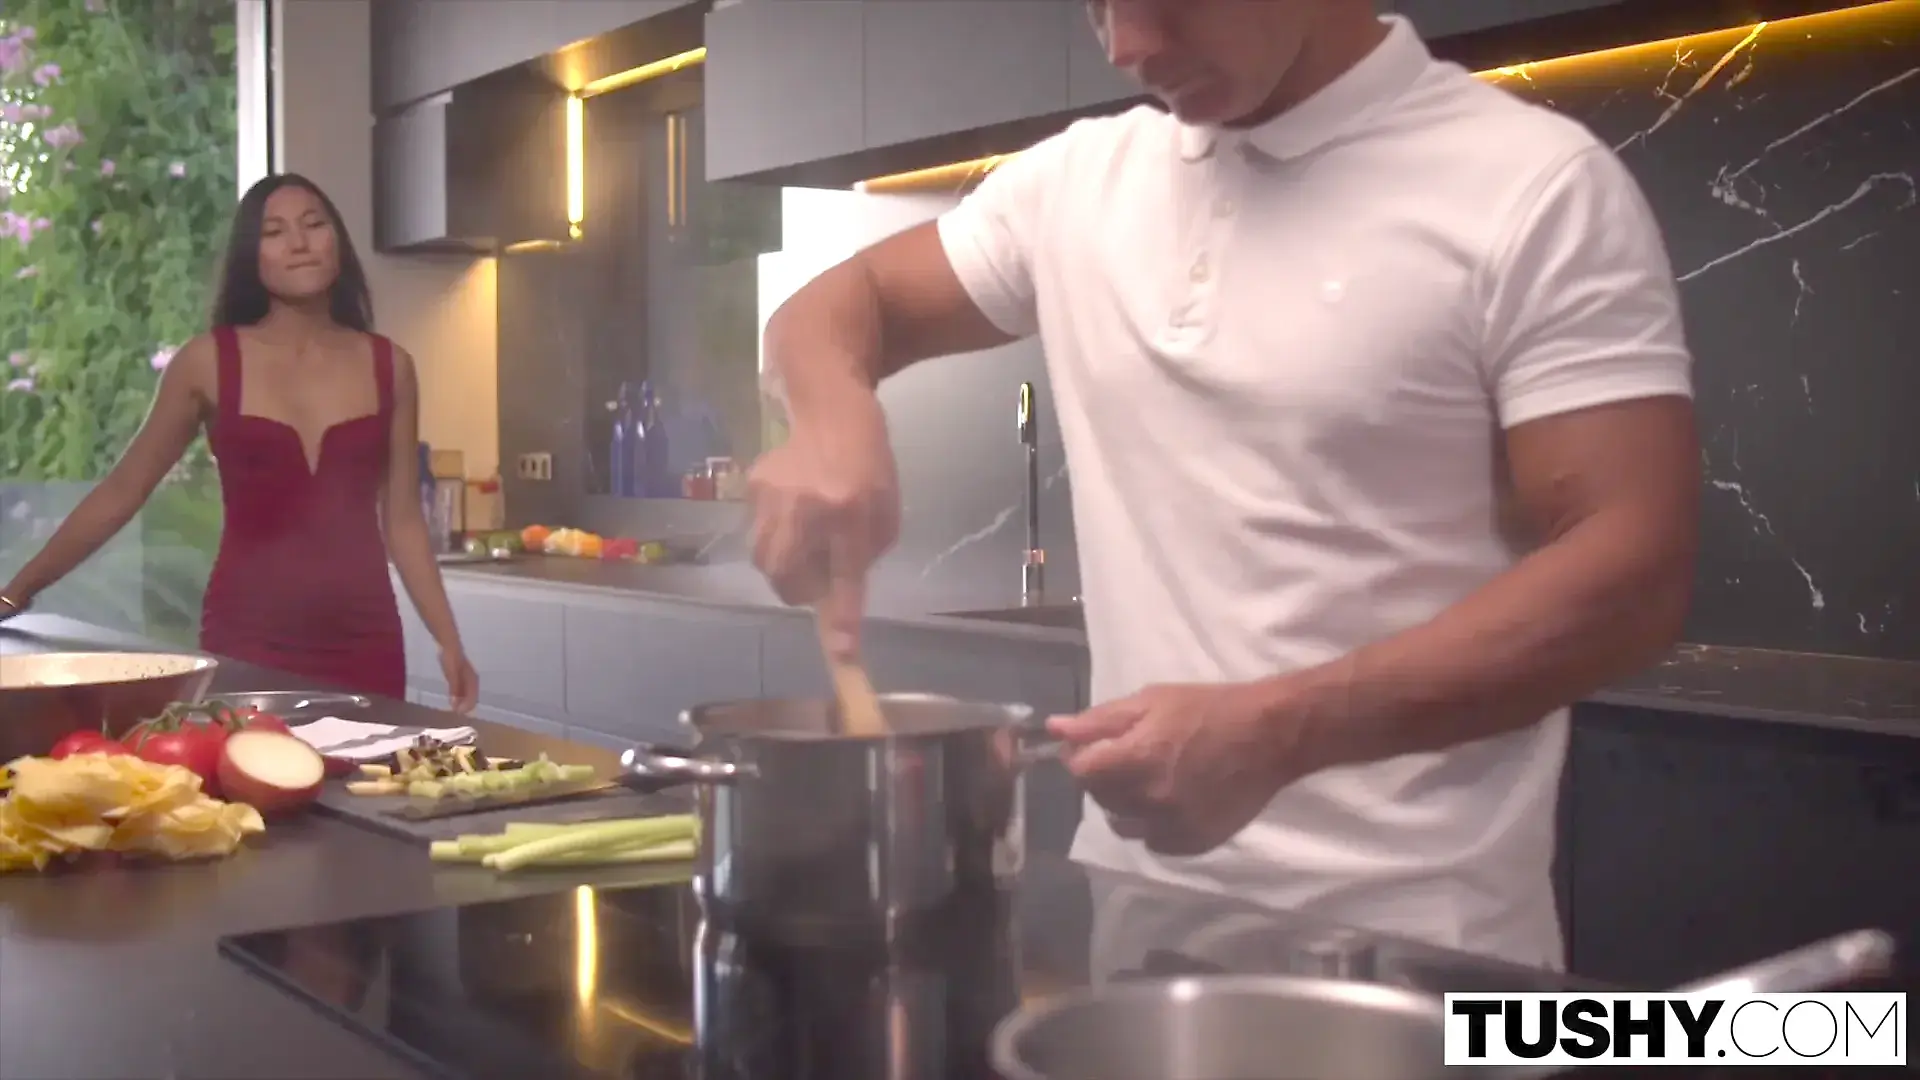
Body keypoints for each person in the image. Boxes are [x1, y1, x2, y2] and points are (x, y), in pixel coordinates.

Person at [746, 0, 1699, 967]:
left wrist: (1282, 730)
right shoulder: (1077, 182)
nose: (1126, 45)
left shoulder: (1532, 187)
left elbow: (1633, 574)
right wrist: (832, 419)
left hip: (1419, 954)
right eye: (1095, 3)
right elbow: (840, 306)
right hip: (1135, 934)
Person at [0, 174, 479, 711]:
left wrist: (449, 641)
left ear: (338, 243)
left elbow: (404, 521)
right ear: (252, 256)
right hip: (248, 636)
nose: (299, 242)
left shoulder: (391, 366)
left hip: (366, 639)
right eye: (275, 232)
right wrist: (14, 592)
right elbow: (122, 491)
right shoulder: (207, 363)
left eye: (314, 224)